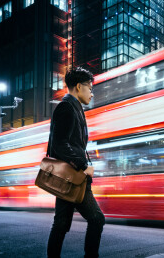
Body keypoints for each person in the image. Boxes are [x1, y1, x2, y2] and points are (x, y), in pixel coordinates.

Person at [47, 67, 105, 258]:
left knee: (61, 224)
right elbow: (59, 144)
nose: (91, 92)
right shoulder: (66, 108)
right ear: (79, 87)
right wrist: (83, 166)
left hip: (71, 176)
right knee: (96, 218)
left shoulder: (74, 107)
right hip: (72, 176)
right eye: (89, 87)